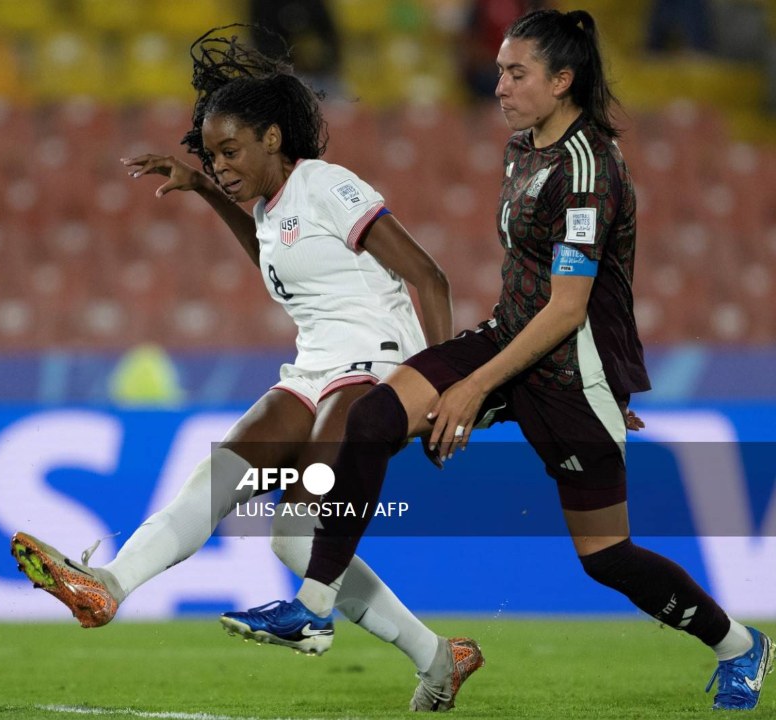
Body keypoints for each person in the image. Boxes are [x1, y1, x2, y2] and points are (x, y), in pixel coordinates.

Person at [245, 9, 773, 711]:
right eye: (498, 69)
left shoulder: (588, 170)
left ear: (563, 80)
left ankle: (741, 645)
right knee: (372, 419)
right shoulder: (524, 147)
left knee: (606, 557)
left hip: (563, 368)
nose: (499, 84)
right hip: (508, 336)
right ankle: (313, 605)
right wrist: (461, 378)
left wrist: (475, 392)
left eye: (516, 72)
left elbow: (568, 308)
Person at [12, 26, 484, 712]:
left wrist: (436, 385)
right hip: (315, 366)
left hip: (378, 362)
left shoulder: (325, 184)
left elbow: (430, 277)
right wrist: (206, 190)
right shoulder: (270, 209)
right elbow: (269, 248)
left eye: (230, 150)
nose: (222, 163)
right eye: (211, 154)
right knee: (267, 514)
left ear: (272, 137)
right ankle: (107, 588)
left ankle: (313, 616)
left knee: (313, 506)